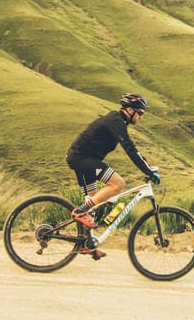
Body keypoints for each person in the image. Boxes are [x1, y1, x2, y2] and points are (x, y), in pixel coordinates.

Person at [66, 92, 160, 259]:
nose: (141, 117)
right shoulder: (116, 121)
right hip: (83, 159)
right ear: (130, 110)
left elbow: (133, 150)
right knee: (118, 184)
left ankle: (88, 244)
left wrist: (148, 167)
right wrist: (147, 171)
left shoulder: (118, 121)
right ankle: (81, 212)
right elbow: (130, 149)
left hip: (83, 159)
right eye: (140, 113)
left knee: (93, 203)